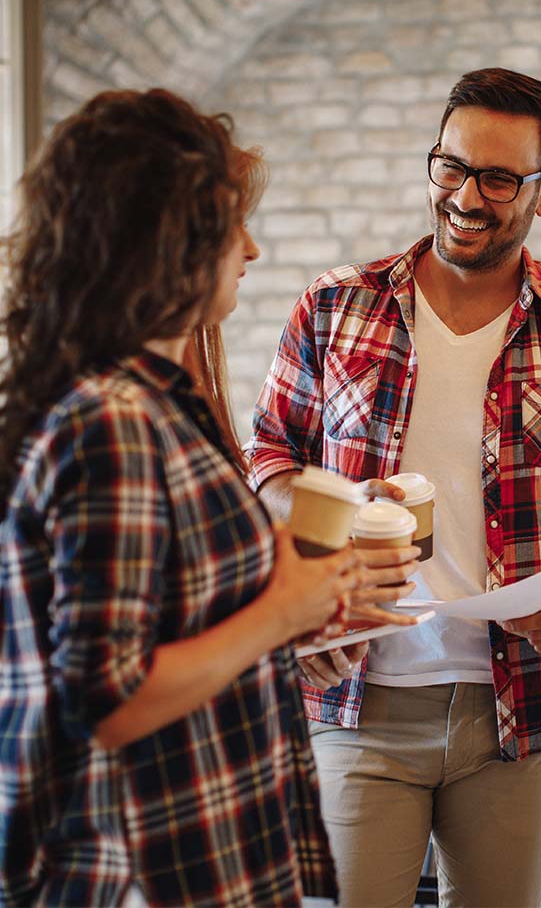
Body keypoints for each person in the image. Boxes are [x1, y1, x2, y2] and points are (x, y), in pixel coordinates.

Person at [247, 66, 541, 906]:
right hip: (352, 692)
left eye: (499, 178)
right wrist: (329, 513)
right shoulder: (334, 307)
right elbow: (265, 455)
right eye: (451, 166)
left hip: (517, 711)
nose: (467, 197)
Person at [0, 88, 420, 906]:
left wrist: (305, 626)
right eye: (234, 225)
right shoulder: (112, 422)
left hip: (203, 854)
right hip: (142, 873)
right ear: (172, 240)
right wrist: (284, 612)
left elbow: (173, 628)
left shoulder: (154, 401)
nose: (252, 249)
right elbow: (107, 699)